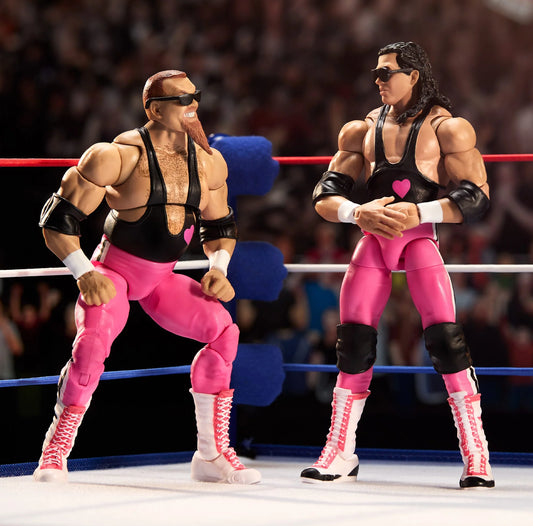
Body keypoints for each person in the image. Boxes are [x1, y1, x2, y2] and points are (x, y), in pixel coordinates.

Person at [34, 70, 260, 485]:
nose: (193, 106)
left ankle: (211, 454)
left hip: (162, 279)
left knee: (224, 332)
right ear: (155, 109)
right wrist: (84, 272)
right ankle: (55, 450)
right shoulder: (117, 156)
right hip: (112, 272)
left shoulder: (209, 162)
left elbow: (220, 226)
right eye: (182, 99)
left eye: (195, 96)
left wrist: (218, 267)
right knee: (92, 345)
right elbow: (57, 221)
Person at [301, 42, 494, 489]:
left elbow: (478, 195)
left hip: (420, 238)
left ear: (414, 76)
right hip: (374, 239)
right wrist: (357, 212)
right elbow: (324, 194)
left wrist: (419, 212)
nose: (379, 80)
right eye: (376, 72)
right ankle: (339, 451)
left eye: (387, 72)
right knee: (352, 341)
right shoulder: (361, 130)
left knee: (447, 341)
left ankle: (477, 456)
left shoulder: (448, 128)